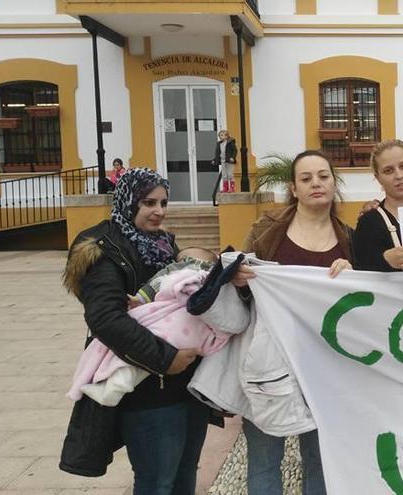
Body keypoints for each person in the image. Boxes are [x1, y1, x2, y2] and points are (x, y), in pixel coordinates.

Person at [61, 169, 209, 494]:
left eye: (164, 202)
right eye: (148, 202)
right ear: (128, 201)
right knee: (158, 482)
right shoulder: (104, 249)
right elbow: (106, 318)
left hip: (190, 386)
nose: (159, 211)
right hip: (149, 394)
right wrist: (165, 358)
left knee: (185, 477)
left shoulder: (164, 245)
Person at [229, 150, 353, 495]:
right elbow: (239, 290)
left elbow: (360, 305)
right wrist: (240, 280)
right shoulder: (266, 231)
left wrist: (352, 275)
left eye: (324, 176)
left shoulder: (348, 238)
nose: (316, 183)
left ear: (333, 183)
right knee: (265, 458)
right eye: (306, 178)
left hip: (326, 367)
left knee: (320, 457)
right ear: (294, 188)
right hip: (271, 364)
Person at [67, 247, 231, 408]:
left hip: (178, 336)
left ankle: (115, 385)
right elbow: (105, 318)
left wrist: (139, 299)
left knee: (137, 358)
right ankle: (115, 385)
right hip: (184, 334)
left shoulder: (172, 256)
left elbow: (156, 283)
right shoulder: (212, 272)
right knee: (152, 345)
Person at [352, 140, 403, 271]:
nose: (399, 175)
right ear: (378, 178)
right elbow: (359, 270)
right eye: (388, 171)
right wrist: (385, 260)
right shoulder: (369, 223)